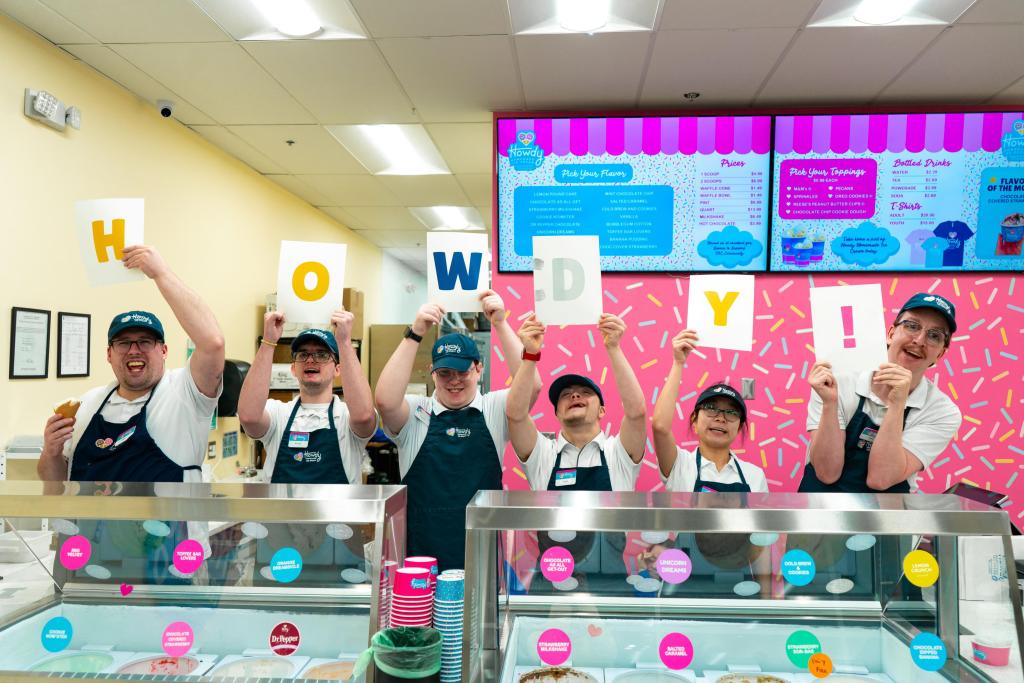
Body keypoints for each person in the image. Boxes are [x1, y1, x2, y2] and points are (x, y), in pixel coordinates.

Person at [374, 290, 540, 570]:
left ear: (479, 369)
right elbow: (385, 401)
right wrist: (415, 333)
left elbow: (531, 387)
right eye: (445, 373)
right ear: (432, 372)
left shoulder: (495, 408)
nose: (454, 381)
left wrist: (500, 323)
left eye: (462, 372)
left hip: (482, 557)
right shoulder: (417, 412)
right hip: (421, 561)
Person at [39, 245, 225, 483]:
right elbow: (54, 487)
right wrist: (51, 452)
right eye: (124, 343)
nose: (134, 350)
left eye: (145, 342)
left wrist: (161, 274)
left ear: (164, 351)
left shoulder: (185, 394)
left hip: (170, 510)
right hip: (86, 510)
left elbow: (213, 343)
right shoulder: (86, 406)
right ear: (109, 354)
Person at [798, 292, 963, 493]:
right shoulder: (836, 379)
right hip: (820, 507)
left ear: (940, 353)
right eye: (912, 326)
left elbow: (880, 479)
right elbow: (826, 472)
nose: (920, 340)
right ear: (891, 334)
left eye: (934, 335)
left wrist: (897, 404)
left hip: (887, 511)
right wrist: (829, 404)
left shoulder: (942, 412)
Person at [506, 313, 646, 492]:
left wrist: (613, 347)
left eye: (586, 392)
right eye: (565, 395)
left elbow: (636, 413)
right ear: (557, 413)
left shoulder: (618, 452)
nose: (575, 396)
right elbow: (516, 416)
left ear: (601, 410)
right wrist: (530, 354)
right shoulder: (542, 454)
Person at [237, 306, 375, 484]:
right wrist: (268, 341)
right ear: (293, 368)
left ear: (337, 369)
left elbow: (364, 417)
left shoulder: (347, 416)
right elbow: (248, 417)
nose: (310, 360)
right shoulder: (278, 413)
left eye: (322, 355)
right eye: (303, 354)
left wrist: (345, 342)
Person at [652, 330, 767, 493]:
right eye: (711, 408)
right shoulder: (680, 465)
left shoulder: (755, 476)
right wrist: (678, 363)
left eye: (731, 412)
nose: (721, 418)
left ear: (739, 427)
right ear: (694, 420)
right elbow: (660, 427)